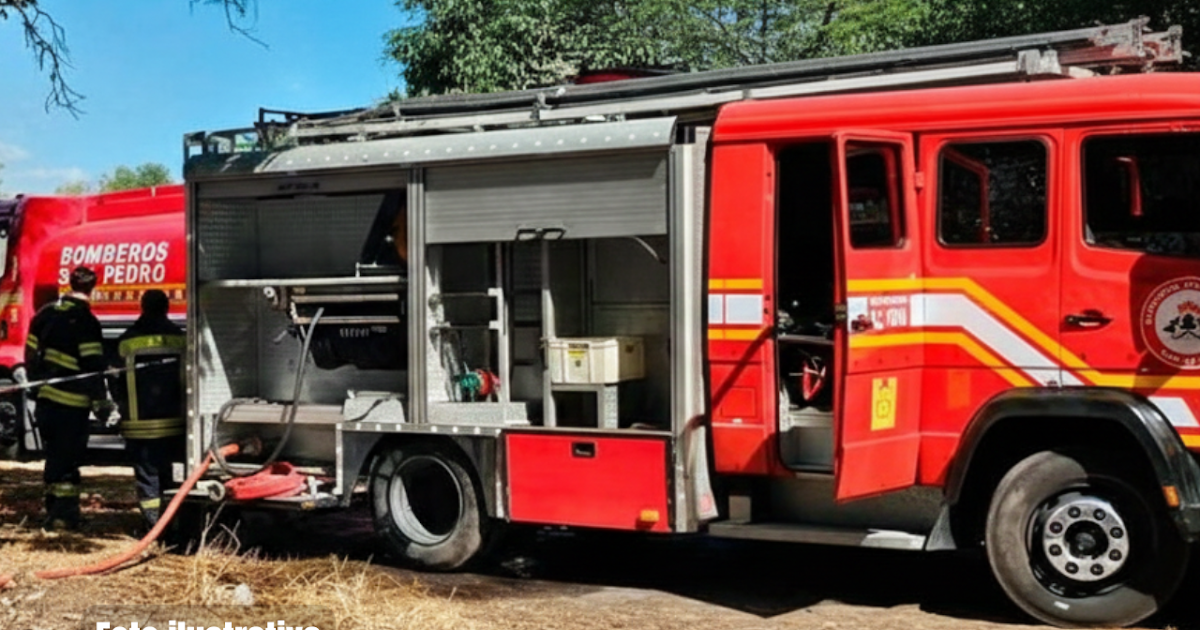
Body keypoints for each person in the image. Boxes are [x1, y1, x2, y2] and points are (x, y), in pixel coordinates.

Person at [24, 266, 109, 531]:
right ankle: (64, 517)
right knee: (68, 463)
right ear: (92, 287)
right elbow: (93, 365)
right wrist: (101, 401)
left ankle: (53, 512)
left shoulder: (44, 315)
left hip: (46, 402)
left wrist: (37, 386)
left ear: (69, 284)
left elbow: (29, 354)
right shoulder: (86, 321)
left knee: (54, 459)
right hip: (72, 406)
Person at [110, 289, 186, 531]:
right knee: (173, 475)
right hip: (176, 423)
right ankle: (173, 524)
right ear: (167, 307)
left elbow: (115, 381)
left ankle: (152, 526)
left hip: (139, 424)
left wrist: (120, 409)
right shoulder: (180, 338)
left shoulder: (126, 340)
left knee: (148, 478)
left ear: (142, 307)